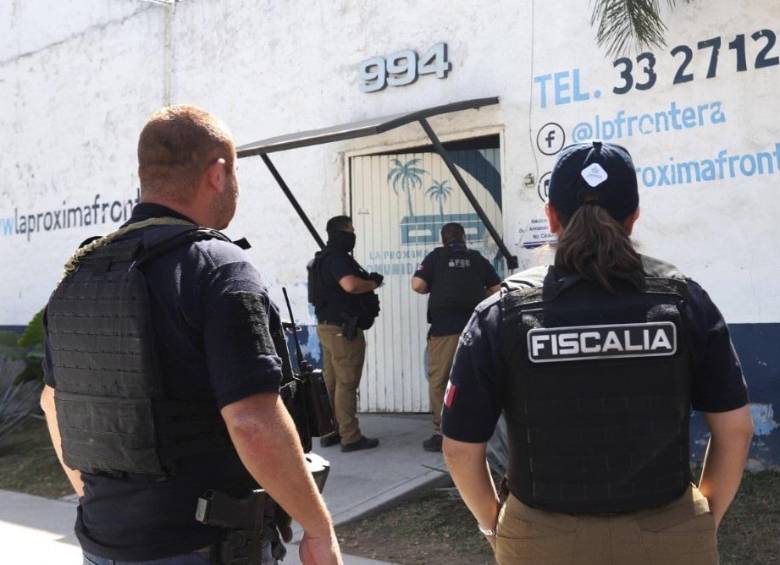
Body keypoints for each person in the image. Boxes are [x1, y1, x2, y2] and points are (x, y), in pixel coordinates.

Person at [40, 105, 342, 565]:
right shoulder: (219, 268)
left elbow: (52, 404)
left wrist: (110, 506)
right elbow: (252, 420)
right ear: (218, 173)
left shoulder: (81, 273)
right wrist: (318, 530)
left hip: (102, 545)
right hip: (202, 547)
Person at [442, 141, 754, 565]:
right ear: (634, 216)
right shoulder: (684, 301)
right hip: (669, 535)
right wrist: (700, 522)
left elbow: (460, 449)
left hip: (541, 540)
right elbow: (736, 430)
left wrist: (491, 523)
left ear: (552, 216)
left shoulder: (503, 312)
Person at [411, 223, 501, 452]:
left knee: (439, 381)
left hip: (444, 331)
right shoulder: (475, 258)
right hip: (475, 330)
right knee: (476, 379)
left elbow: (418, 285)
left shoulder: (436, 257)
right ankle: (474, 429)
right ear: (464, 238)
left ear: (443, 240)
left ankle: (442, 433)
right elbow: (498, 289)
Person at [308, 216, 382, 452]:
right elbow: (350, 285)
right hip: (343, 328)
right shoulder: (338, 258)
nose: (353, 235)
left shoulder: (323, 258)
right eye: (351, 230)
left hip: (328, 327)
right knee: (347, 382)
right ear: (341, 233)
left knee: (333, 382)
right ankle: (350, 436)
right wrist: (372, 284)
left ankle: (332, 431)